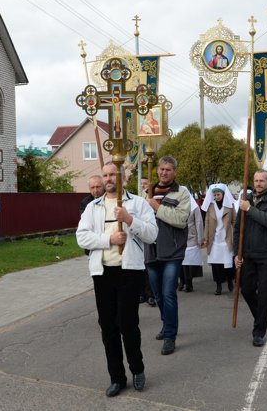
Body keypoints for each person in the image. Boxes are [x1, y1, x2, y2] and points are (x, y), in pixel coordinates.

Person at [76, 162, 158, 397]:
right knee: (108, 326)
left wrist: (130, 219)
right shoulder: (93, 207)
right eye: (106, 175)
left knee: (128, 323)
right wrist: (109, 239)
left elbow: (152, 235)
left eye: (113, 174)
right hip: (103, 273)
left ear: (123, 177)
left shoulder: (138, 203)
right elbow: (82, 237)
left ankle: (137, 368)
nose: (109, 178)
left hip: (129, 271)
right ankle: (117, 377)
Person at [144, 156, 190, 356]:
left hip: (172, 251)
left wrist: (157, 207)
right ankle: (166, 323)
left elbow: (181, 219)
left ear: (175, 172)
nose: (164, 173)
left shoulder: (182, 193)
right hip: (151, 250)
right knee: (158, 295)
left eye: (168, 170)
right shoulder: (147, 192)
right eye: (161, 169)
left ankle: (170, 335)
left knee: (169, 293)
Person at [234, 170, 267, 347]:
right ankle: (261, 317)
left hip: (266, 255)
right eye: (256, 180)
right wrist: (236, 254)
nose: (258, 183)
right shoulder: (246, 199)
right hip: (247, 254)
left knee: (263, 295)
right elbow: (238, 228)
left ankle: (259, 332)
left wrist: (250, 209)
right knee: (246, 290)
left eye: (262, 180)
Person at [202, 183, 236, 296]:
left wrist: (235, 236)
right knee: (216, 264)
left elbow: (234, 222)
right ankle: (218, 286)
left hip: (226, 238)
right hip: (214, 239)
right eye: (214, 195)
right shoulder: (211, 207)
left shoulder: (230, 206)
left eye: (218, 194)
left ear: (223, 194)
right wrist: (206, 238)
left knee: (227, 264)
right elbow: (206, 222)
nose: (216, 197)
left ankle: (230, 280)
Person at [179, 189, 204, 293]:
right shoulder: (178, 206)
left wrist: (200, 239)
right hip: (179, 238)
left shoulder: (194, 207)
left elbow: (199, 223)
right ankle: (182, 281)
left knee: (189, 262)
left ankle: (189, 283)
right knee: (180, 261)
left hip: (191, 238)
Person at [138, 176, 156, 307]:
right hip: (137, 239)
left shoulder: (151, 199)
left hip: (149, 237)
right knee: (140, 269)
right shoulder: (134, 200)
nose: (143, 186)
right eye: (141, 184)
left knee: (149, 267)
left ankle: (151, 295)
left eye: (145, 184)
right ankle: (141, 293)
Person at [79, 175, 105, 256]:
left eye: (98, 187)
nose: (95, 190)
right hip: (93, 242)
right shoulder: (85, 203)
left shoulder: (110, 199)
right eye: (92, 188)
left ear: (103, 186)